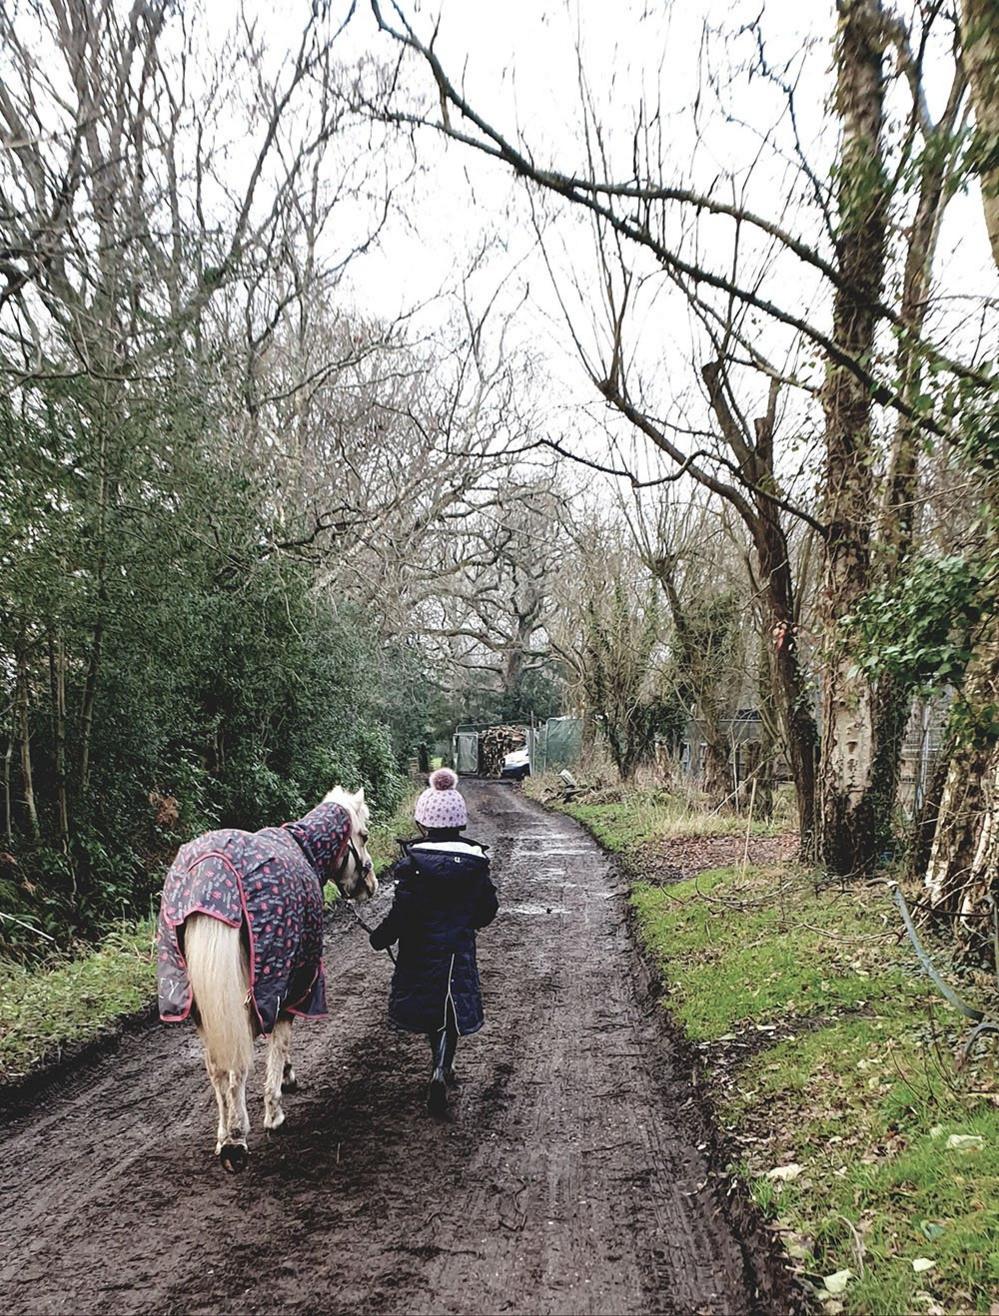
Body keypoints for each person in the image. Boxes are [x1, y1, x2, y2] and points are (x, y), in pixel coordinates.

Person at [369, 768, 498, 1115]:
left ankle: (438, 1066)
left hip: (419, 951)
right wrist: (465, 921)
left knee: (431, 1008)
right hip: (458, 948)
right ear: (460, 821)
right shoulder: (476, 861)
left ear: (423, 821)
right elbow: (488, 911)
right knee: (451, 1010)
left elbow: (402, 913)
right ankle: (443, 1067)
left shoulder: (412, 862)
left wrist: (382, 937)